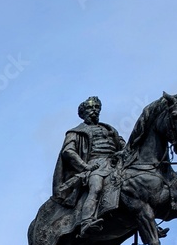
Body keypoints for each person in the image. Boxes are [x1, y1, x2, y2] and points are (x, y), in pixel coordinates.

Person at [53, 96, 126, 237]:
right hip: (94, 165)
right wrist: (84, 167)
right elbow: (68, 151)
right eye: (90, 108)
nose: (94, 110)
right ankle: (87, 221)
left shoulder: (109, 129)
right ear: (83, 112)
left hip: (115, 164)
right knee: (96, 187)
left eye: (96, 107)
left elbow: (123, 145)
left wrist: (123, 152)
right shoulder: (75, 132)